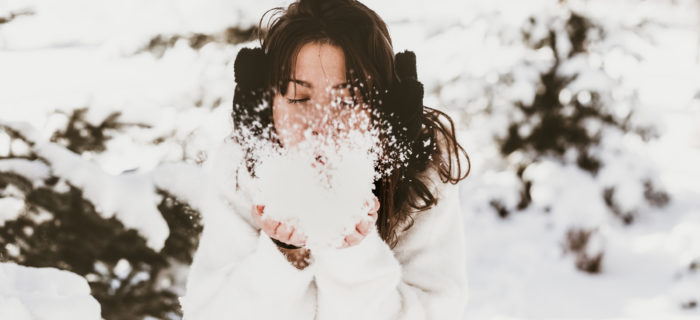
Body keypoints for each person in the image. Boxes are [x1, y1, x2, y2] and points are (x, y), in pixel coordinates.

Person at [180, 0, 471, 319]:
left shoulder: (422, 173)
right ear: (270, 103)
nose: (320, 124)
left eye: (346, 102)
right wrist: (285, 256)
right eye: (299, 97)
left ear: (381, 109)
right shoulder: (242, 170)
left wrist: (353, 257)